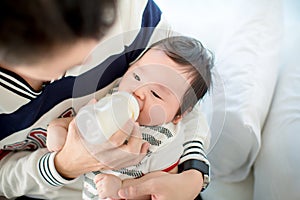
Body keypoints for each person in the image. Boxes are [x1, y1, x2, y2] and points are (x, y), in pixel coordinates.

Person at [0, 0, 210, 199]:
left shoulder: (129, 10)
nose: (88, 60)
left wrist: (193, 173)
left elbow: (183, 84)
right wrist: (64, 164)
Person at [46, 36, 213, 200]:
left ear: (179, 115)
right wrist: (58, 130)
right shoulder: (112, 100)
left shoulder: (163, 139)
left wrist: (121, 187)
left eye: (155, 94)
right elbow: (79, 122)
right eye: (137, 77)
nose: (137, 92)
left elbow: (161, 185)